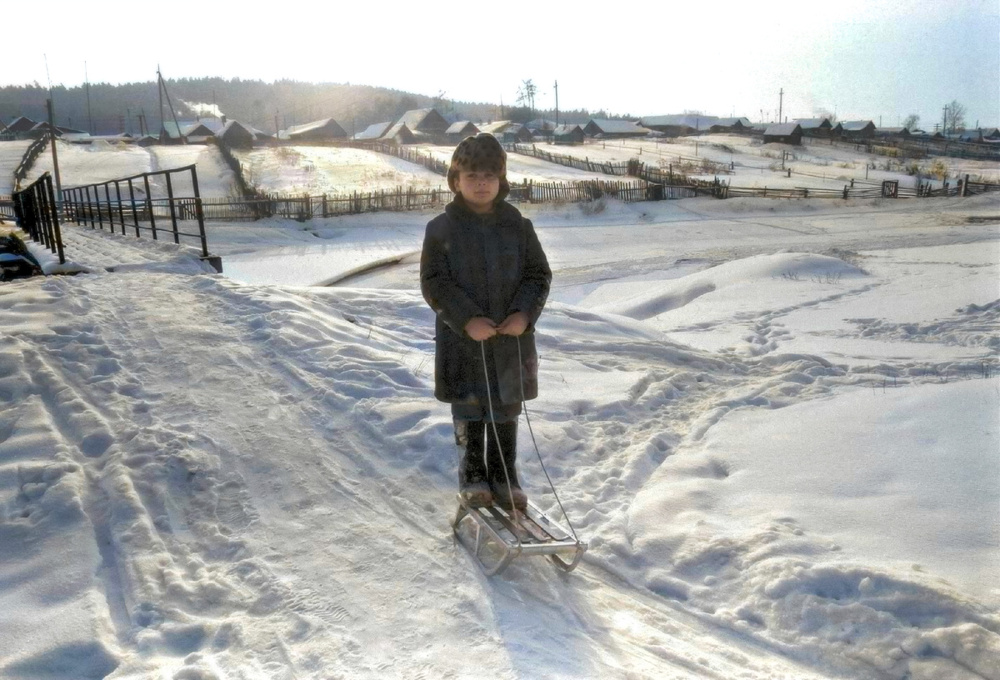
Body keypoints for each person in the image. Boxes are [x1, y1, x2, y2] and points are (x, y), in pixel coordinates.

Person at [420, 134, 552, 512]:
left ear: (502, 181)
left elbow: (538, 276)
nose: (481, 184)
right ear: (456, 180)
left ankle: (505, 475)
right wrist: (466, 320)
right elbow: (434, 283)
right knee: (470, 406)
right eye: (473, 175)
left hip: (510, 340)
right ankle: (473, 474)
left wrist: (523, 315)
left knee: (505, 407)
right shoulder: (440, 229)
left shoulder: (518, 227)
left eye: (489, 176)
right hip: (461, 341)